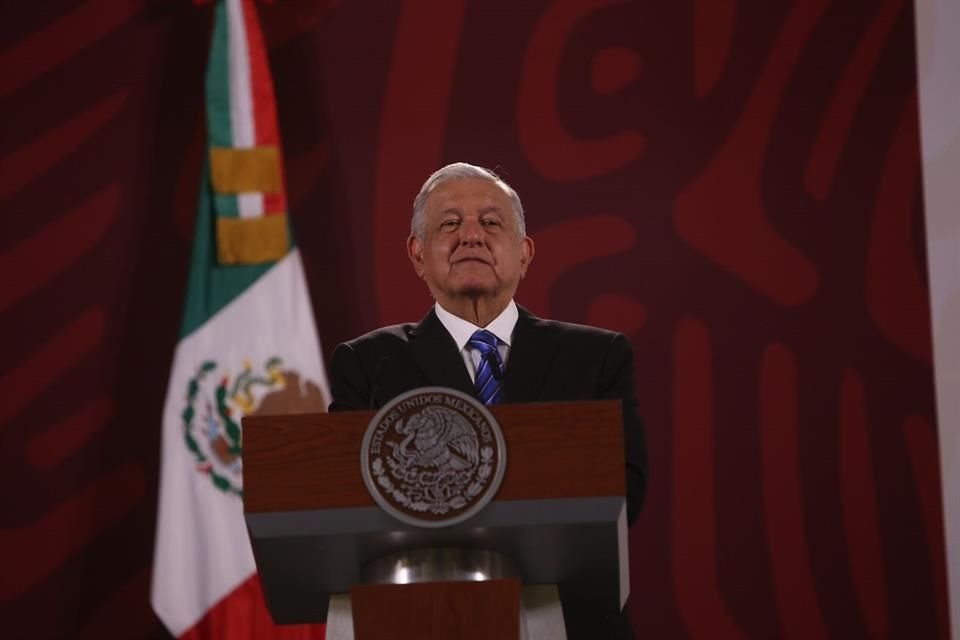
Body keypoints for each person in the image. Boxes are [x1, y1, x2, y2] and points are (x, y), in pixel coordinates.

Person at [328, 162, 647, 639]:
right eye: (450, 224)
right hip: (420, 618)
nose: (471, 236)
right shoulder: (368, 364)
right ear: (418, 254)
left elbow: (626, 491)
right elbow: (344, 499)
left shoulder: (596, 357)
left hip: (571, 615)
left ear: (524, 253)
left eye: (491, 223)